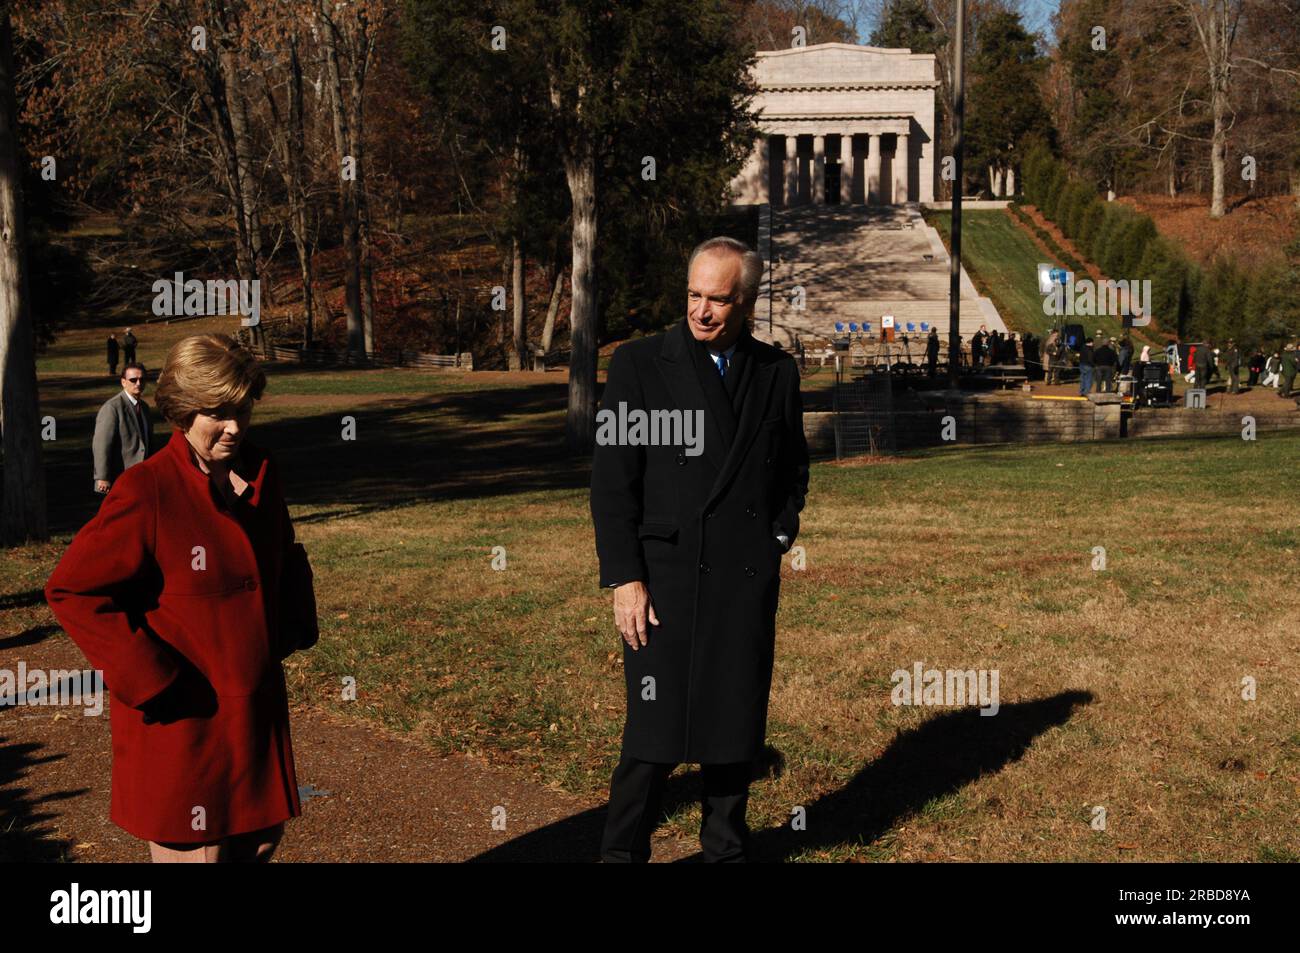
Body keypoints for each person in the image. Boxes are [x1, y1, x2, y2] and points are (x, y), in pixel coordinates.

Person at [45, 334, 319, 863]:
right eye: (218, 412)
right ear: (183, 410)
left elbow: (279, 556)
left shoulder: (260, 473)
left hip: (252, 717)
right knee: (200, 855)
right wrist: (152, 682)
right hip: (185, 723)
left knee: (259, 842)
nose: (235, 426)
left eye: (242, 408)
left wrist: (289, 625)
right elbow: (72, 589)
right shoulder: (146, 490)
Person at [590, 236, 809, 863]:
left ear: (746, 301)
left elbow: (793, 472)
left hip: (742, 581)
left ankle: (725, 851)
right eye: (693, 295)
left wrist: (775, 539)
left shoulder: (776, 372)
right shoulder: (637, 364)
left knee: (733, 728)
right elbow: (612, 484)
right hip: (663, 583)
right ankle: (619, 855)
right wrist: (624, 578)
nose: (701, 311)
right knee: (652, 735)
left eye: (717, 299)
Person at [93, 362, 153, 495]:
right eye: (133, 380)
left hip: (143, 476)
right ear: (123, 382)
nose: (138, 383)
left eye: (142, 379)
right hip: (120, 476)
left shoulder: (144, 408)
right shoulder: (112, 407)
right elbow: (102, 444)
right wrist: (102, 477)